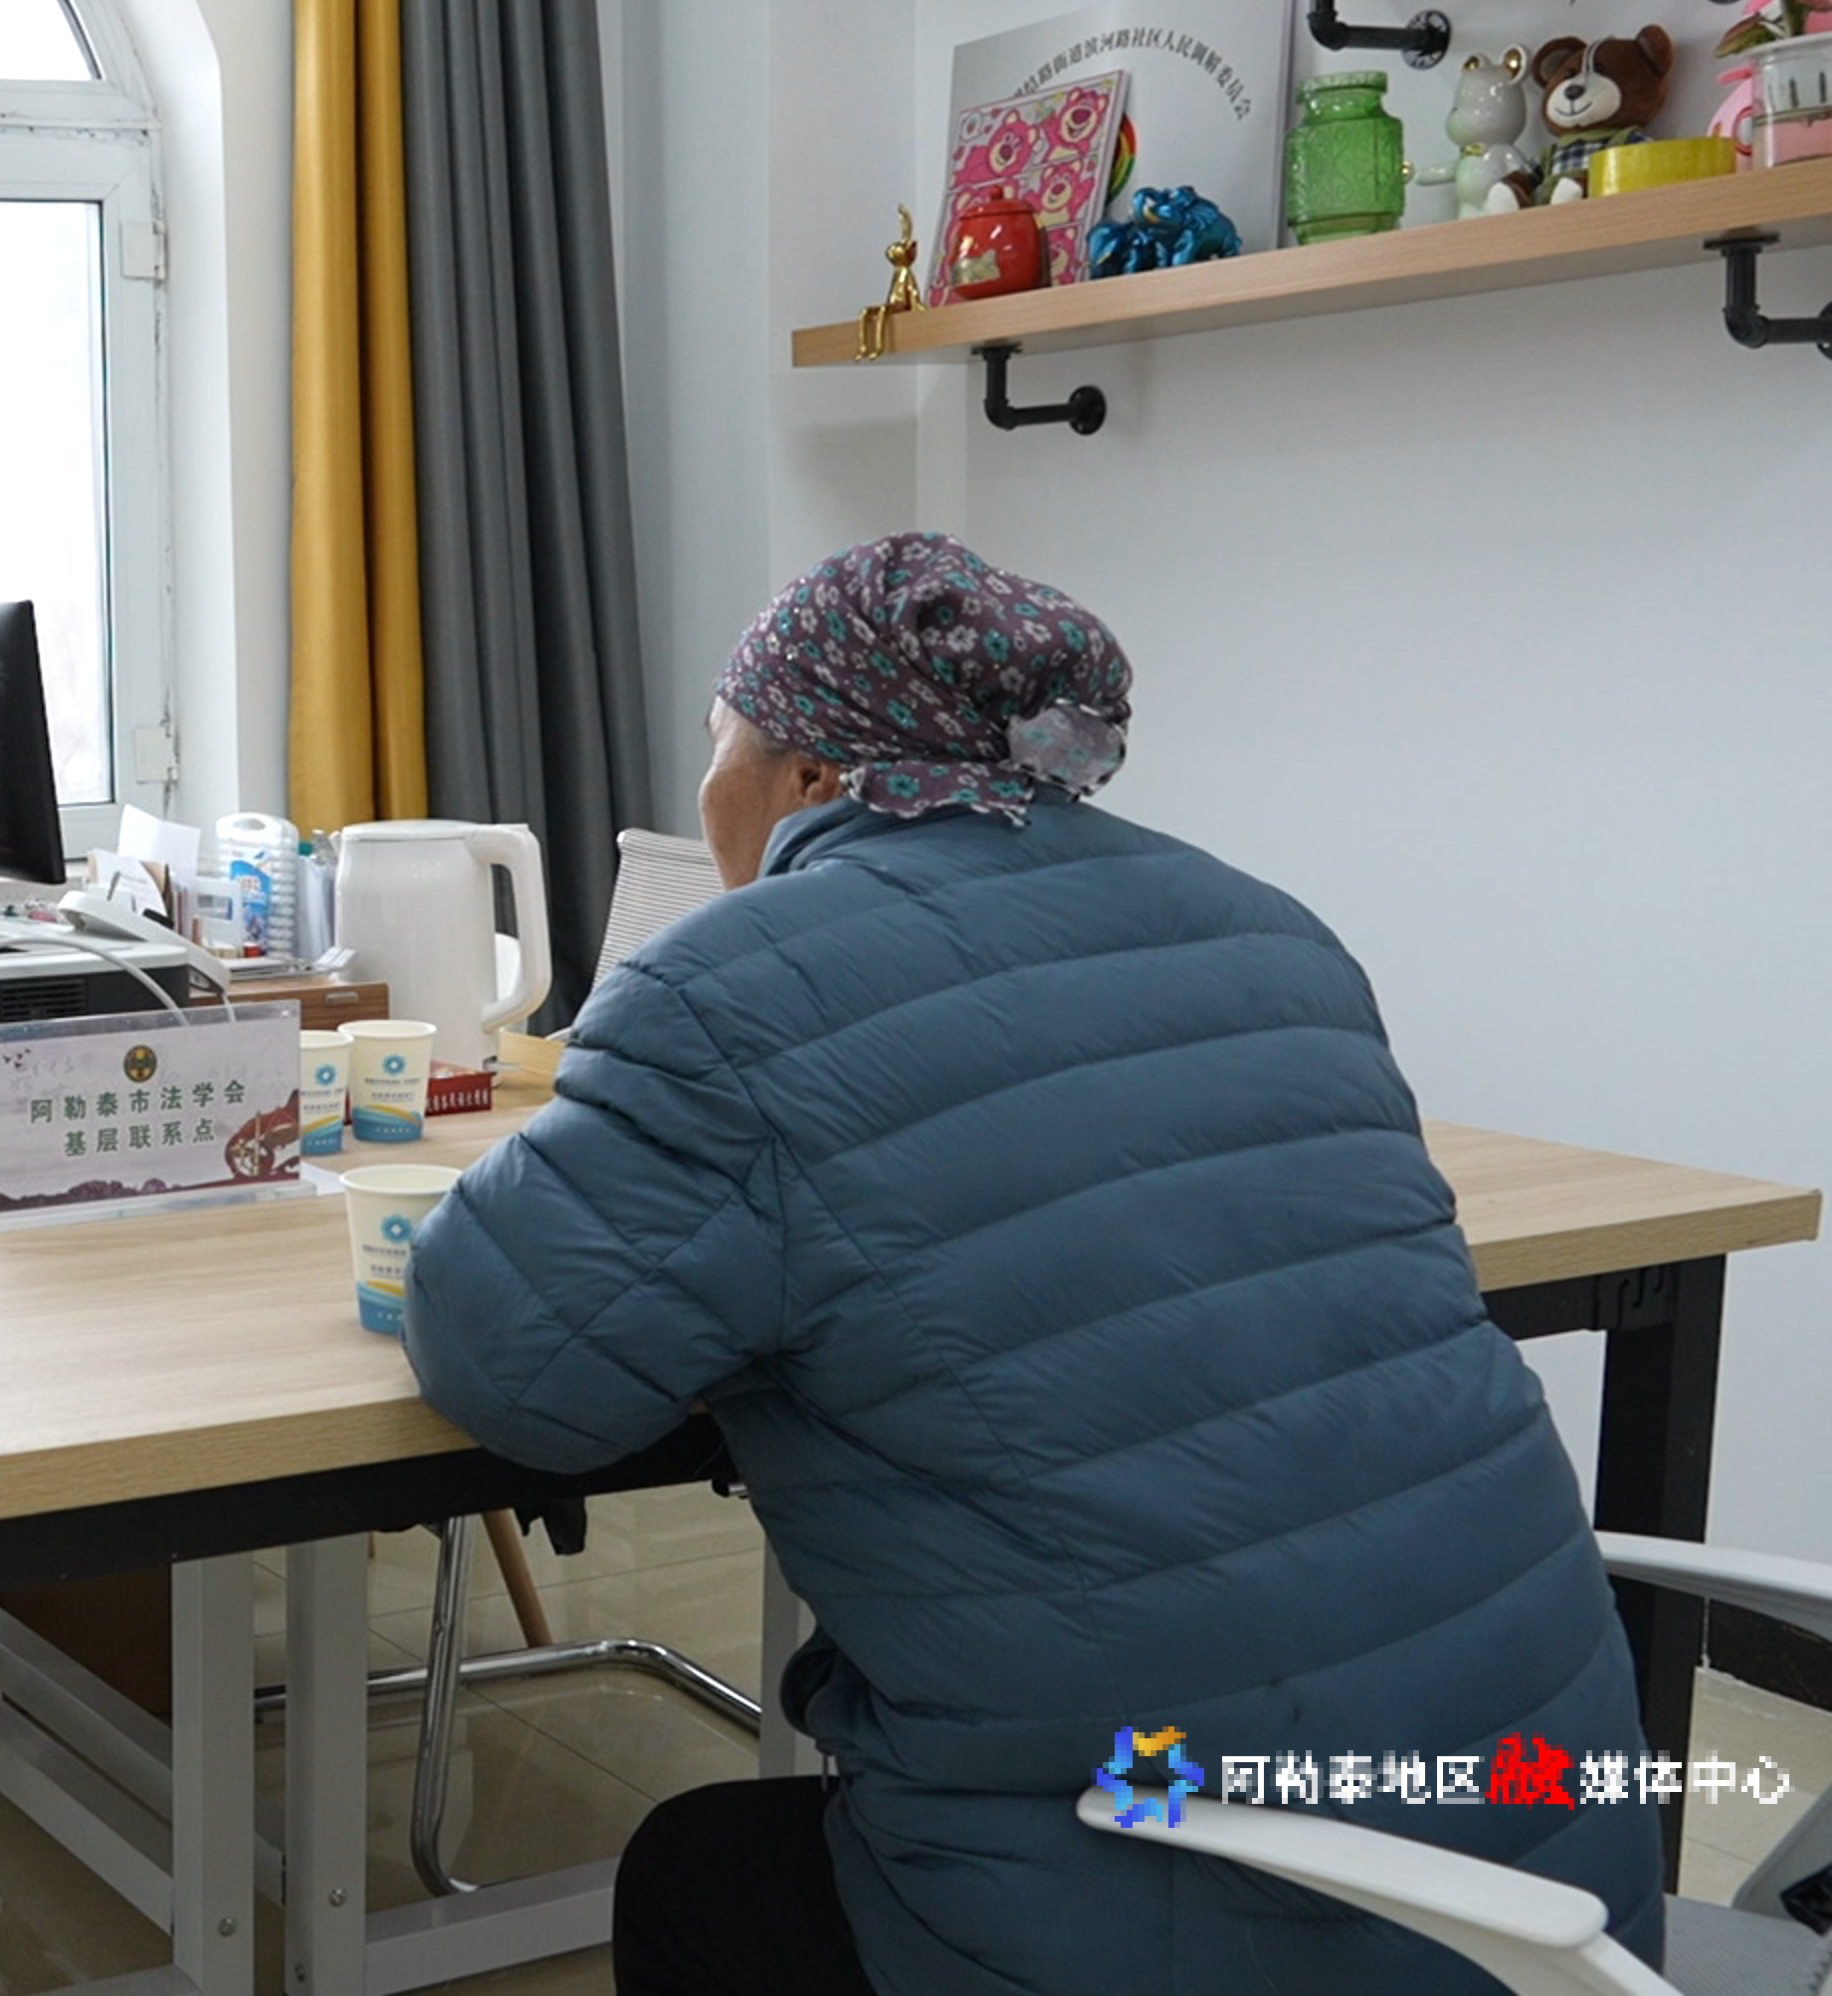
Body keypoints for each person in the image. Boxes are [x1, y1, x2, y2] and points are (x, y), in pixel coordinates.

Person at [399, 536, 1662, 1995]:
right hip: (1560, 1895)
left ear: (810, 774)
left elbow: (513, 1367)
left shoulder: (733, 988)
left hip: (1203, 1901)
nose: (705, 787)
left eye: (717, 741)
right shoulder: (1273, 930)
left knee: (699, 1870)